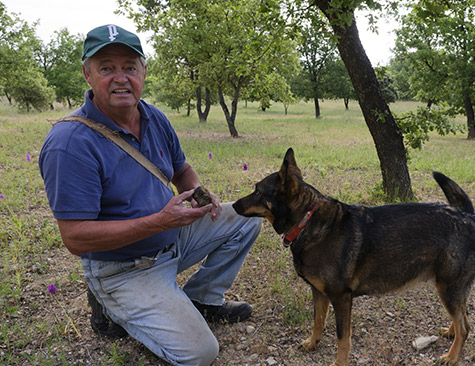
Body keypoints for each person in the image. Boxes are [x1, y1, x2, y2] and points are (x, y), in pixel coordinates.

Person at [39, 24, 262, 366]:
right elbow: (75, 238)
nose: (120, 78)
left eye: (129, 67)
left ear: (144, 71)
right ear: (87, 74)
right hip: (124, 267)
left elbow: (180, 169)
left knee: (246, 219)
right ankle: (111, 307)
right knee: (201, 353)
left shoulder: (153, 116)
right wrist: (160, 221)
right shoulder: (70, 143)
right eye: (107, 68)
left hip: (171, 239)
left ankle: (201, 299)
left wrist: (201, 195)